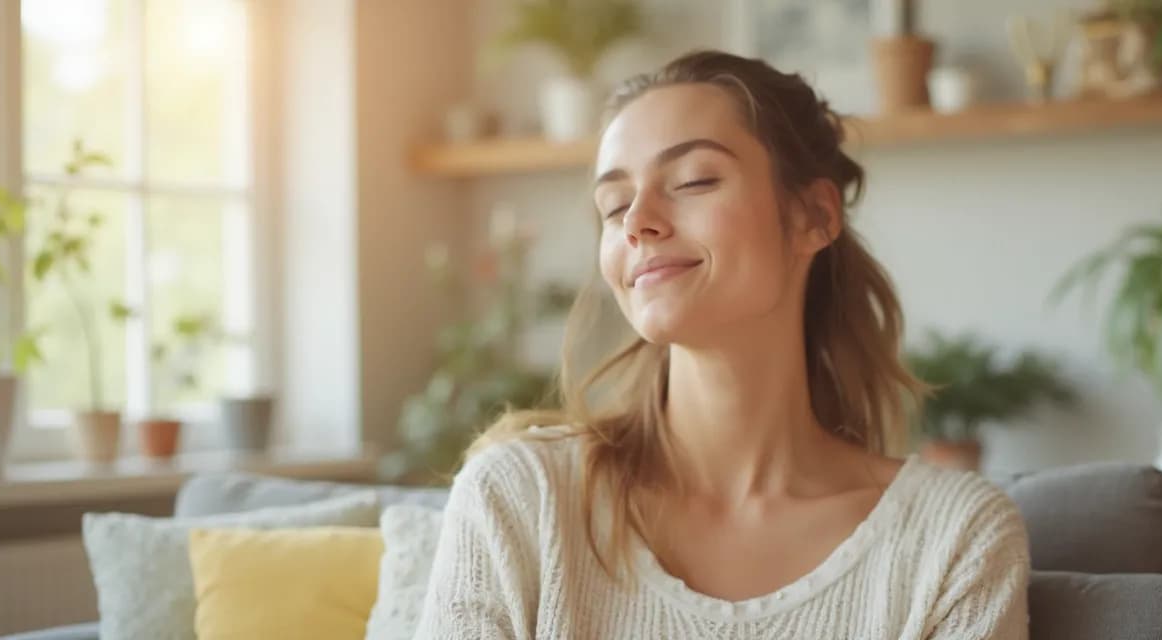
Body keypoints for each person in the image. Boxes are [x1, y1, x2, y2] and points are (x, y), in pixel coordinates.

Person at [414, 50, 1029, 640]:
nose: (637, 223)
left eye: (693, 180)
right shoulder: (520, 498)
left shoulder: (954, 537)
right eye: (614, 204)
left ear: (813, 215)